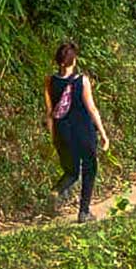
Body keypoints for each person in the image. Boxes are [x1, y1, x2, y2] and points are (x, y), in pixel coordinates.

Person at [44, 42, 110, 224]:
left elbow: (50, 113)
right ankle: (84, 212)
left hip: (62, 132)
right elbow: (92, 109)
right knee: (89, 169)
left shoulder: (50, 80)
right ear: (74, 60)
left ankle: (56, 190)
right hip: (84, 132)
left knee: (71, 172)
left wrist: (53, 137)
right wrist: (103, 134)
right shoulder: (82, 80)